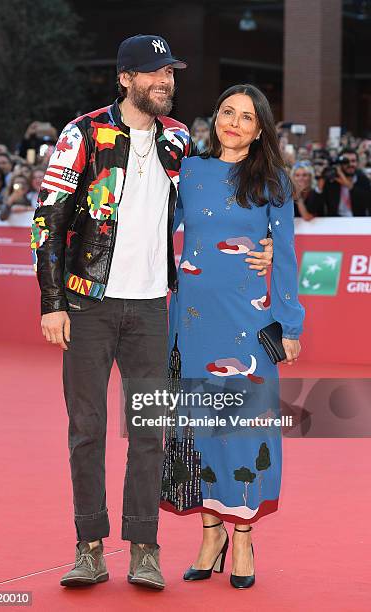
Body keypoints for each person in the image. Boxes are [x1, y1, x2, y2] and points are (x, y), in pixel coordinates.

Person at [31, 35, 274, 591]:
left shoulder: (179, 140)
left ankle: (145, 548)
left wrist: (262, 240)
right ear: (126, 78)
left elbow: (221, 193)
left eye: (172, 74)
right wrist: (52, 302)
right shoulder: (82, 134)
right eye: (155, 73)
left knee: (149, 432)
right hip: (86, 303)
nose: (166, 82)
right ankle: (89, 548)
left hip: (152, 309)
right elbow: (48, 220)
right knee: (86, 430)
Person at [161, 84, 304, 589]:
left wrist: (290, 323)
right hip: (193, 321)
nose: (235, 123)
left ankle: (241, 533)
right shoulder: (191, 173)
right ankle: (210, 532)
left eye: (247, 117)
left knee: (244, 427)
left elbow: (283, 257)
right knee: (200, 426)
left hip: (248, 320)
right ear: (214, 117)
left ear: (261, 128)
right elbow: (161, 229)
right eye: (227, 112)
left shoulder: (273, 181)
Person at [315, 148, 371, 216]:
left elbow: (366, 202)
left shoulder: (362, 179)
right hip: (335, 222)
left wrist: (348, 185)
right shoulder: (332, 180)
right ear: (340, 163)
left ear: (357, 163)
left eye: (353, 161)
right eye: (346, 162)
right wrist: (321, 179)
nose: (350, 164)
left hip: (357, 221)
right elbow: (317, 206)